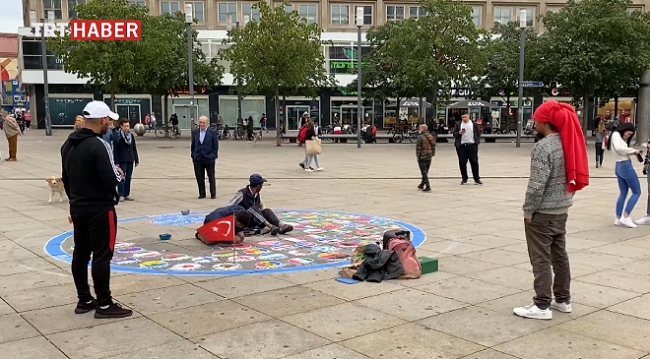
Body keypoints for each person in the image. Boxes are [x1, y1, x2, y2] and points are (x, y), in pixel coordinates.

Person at [513, 100, 589, 320]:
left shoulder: (544, 146)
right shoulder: (569, 142)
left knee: (540, 258)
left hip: (543, 212)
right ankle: (563, 300)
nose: (534, 122)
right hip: (561, 209)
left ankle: (542, 305)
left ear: (544, 122)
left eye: (535, 118)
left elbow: (537, 185)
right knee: (559, 255)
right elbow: (575, 175)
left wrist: (528, 211)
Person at [60, 101, 132, 319]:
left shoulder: (68, 144)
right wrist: (120, 173)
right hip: (101, 208)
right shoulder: (100, 145)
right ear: (101, 120)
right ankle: (104, 303)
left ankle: (84, 299)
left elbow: (66, 178)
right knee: (102, 255)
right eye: (108, 120)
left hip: (78, 206)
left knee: (81, 253)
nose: (110, 123)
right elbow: (112, 179)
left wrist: (74, 201)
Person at [227, 174, 294, 235]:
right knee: (251, 209)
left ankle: (282, 226)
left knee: (267, 211)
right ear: (258, 186)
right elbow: (229, 206)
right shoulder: (242, 193)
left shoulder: (257, 195)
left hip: (256, 220)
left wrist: (265, 216)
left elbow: (261, 208)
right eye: (262, 185)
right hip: (245, 221)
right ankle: (270, 227)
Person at [608, 122, 641, 228]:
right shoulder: (616, 135)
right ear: (625, 129)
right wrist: (633, 151)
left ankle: (618, 218)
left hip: (619, 165)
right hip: (625, 165)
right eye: (628, 133)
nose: (628, 136)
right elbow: (620, 149)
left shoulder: (615, 135)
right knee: (637, 192)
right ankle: (626, 216)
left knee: (623, 193)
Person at [191, 115, 219, 199]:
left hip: (209, 157)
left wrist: (213, 155)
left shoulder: (212, 133)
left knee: (211, 176)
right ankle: (202, 194)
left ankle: (213, 194)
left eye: (203, 122)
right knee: (199, 177)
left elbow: (216, 145)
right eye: (200, 122)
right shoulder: (195, 132)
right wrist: (193, 154)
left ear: (207, 123)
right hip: (198, 158)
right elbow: (193, 144)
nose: (202, 124)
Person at [453, 112, 482, 185]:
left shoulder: (473, 124)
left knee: (474, 162)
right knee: (462, 162)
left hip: (471, 145)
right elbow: (454, 134)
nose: (464, 119)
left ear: (468, 116)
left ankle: (476, 178)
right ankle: (464, 178)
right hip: (461, 146)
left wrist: (477, 142)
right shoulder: (459, 124)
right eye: (462, 117)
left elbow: (478, 133)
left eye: (465, 117)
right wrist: (459, 133)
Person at [114, 119, 139, 202]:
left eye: (128, 126)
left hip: (130, 159)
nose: (126, 128)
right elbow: (115, 150)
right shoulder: (118, 136)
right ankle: (120, 194)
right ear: (121, 126)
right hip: (122, 159)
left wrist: (136, 159)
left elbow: (134, 148)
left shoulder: (131, 136)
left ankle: (126, 194)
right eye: (125, 126)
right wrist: (116, 162)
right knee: (122, 177)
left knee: (128, 177)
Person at [416, 124, 436, 192]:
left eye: (420, 128)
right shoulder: (430, 136)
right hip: (429, 155)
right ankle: (422, 184)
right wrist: (432, 153)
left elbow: (418, 147)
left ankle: (428, 186)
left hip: (422, 156)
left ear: (422, 129)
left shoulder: (420, 137)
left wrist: (418, 156)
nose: (419, 129)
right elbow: (433, 145)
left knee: (423, 171)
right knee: (426, 171)